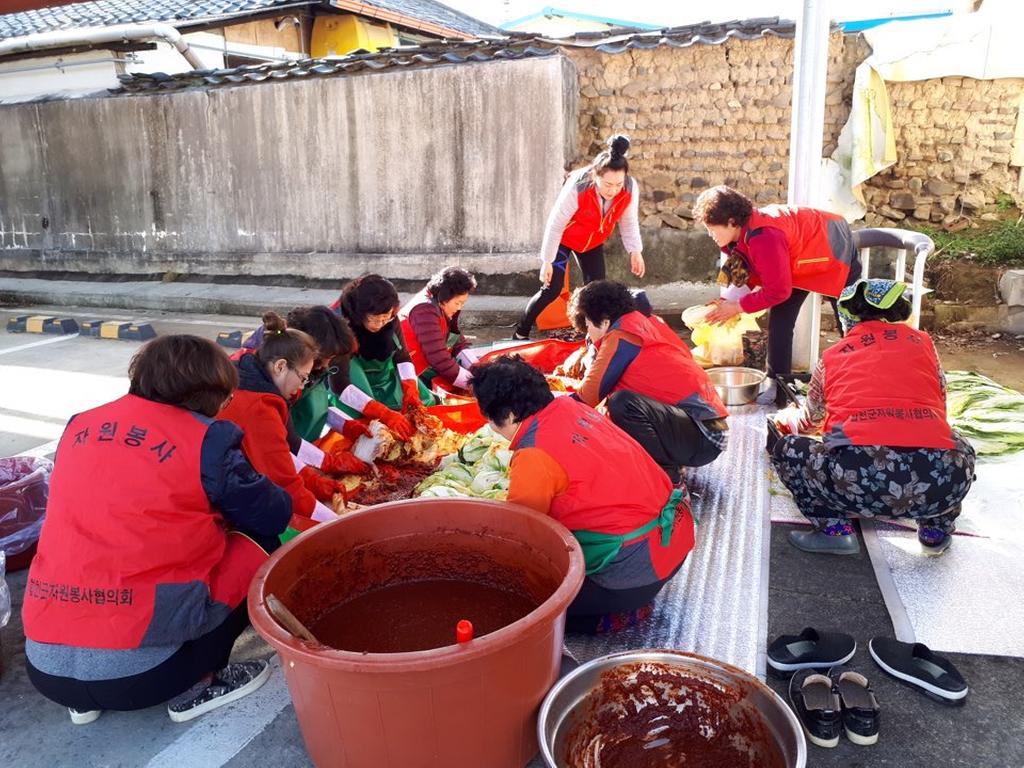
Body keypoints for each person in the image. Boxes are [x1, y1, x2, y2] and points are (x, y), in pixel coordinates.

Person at [22, 336, 292, 725]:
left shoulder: (80, 424)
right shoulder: (207, 438)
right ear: (210, 393)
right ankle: (200, 683)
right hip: (149, 677)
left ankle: (85, 697)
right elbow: (272, 514)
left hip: (45, 671)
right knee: (258, 541)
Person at [472, 356, 695, 634]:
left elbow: (521, 537)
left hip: (633, 575)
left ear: (507, 415)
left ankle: (608, 615)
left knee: (518, 600)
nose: (491, 427)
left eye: (490, 419)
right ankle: (624, 600)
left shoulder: (533, 454)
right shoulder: (570, 406)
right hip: (674, 541)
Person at [770, 279, 976, 556]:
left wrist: (790, 420)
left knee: (789, 449)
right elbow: (940, 401)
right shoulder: (923, 343)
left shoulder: (832, 356)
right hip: (941, 482)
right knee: (956, 444)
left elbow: (814, 420)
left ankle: (835, 532)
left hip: (859, 479)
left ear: (847, 317)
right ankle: (934, 531)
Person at [692, 185, 862, 386]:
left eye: (712, 229)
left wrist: (737, 307)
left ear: (731, 222)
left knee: (849, 323)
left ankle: (858, 382)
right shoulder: (739, 236)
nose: (710, 234)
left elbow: (778, 291)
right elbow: (745, 272)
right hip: (798, 258)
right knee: (780, 320)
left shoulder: (764, 236)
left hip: (833, 247)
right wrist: (725, 302)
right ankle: (778, 385)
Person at [568, 280, 729, 483]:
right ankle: (667, 465)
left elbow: (586, 398)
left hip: (703, 437)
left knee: (622, 403)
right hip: (707, 429)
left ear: (605, 321)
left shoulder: (622, 337)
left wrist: (546, 410)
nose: (588, 334)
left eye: (589, 325)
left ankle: (666, 475)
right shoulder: (645, 321)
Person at [219, 312, 368, 528]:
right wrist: (337, 525)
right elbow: (284, 481)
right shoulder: (258, 408)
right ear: (280, 366)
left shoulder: (251, 368)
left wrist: (311, 477)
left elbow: (279, 451)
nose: (301, 387)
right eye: (303, 378)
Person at [513, 134, 646, 340]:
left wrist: (635, 251)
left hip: (592, 241)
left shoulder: (629, 188)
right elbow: (556, 223)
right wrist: (547, 261)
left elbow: (628, 222)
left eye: (618, 184)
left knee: (598, 291)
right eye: (608, 184)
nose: (613, 190)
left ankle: (590, 337)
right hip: (564, 239)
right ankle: (520, 332)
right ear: (596, 176)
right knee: (552, 289)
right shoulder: (579, 185)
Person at [329, 274, 436, 440]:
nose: (380, 325)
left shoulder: (390, 315)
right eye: (375, 320)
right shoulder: (338, 325)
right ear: (360, 314)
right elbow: (340, 386)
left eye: (385, 319)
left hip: (382, 371)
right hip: (351, 372)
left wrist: (410, 390)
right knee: (363, 418)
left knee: (425, 400)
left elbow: (402, 356)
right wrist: (383, 413)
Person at [399, 266, 479, 392]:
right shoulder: (424, 311)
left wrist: (478, 369)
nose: (459, 308)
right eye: (457, 303)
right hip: (403, 373)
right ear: (444, 298)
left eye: (463, 303)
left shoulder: (443, 305)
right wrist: (475, 385)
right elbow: (439, 359)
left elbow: (456, 340)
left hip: (423, 365)